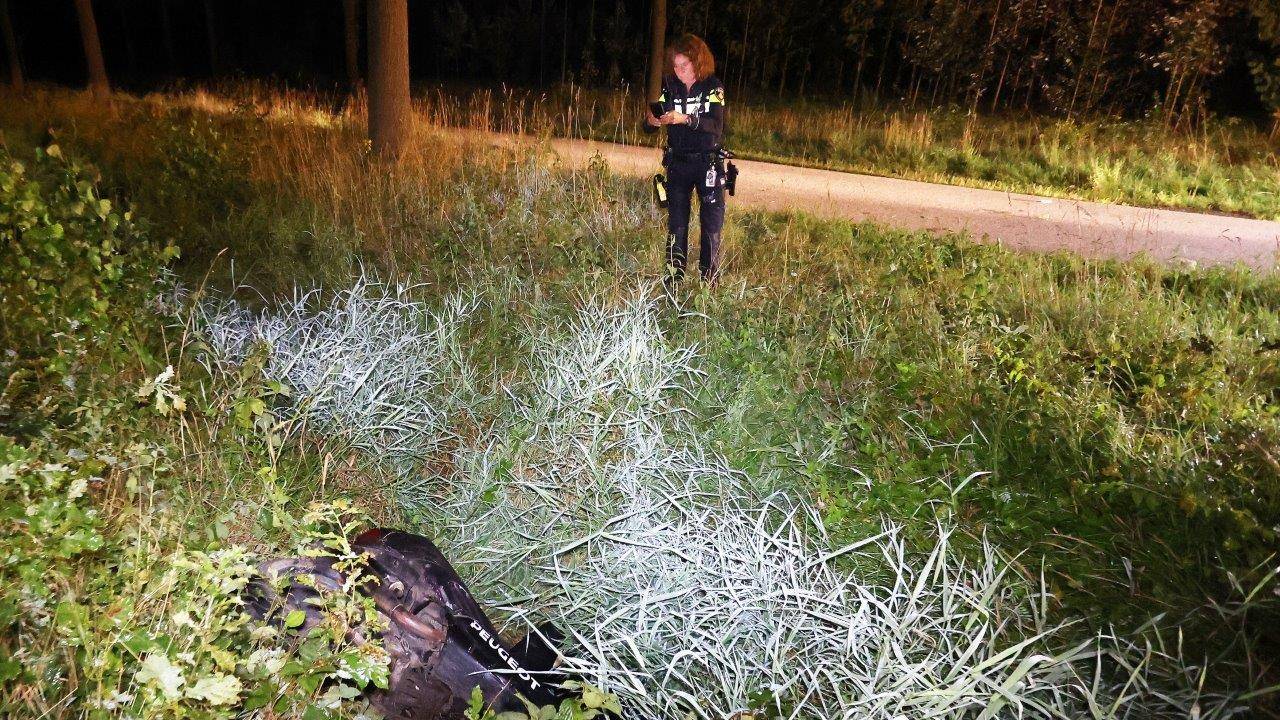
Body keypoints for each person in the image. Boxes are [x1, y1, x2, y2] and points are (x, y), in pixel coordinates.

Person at [644, 34, 727, 284]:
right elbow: (649, 123)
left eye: (685, 66)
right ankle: (673, 279)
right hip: (678, 164)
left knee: (711, 224)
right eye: (676, 65)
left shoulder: (714, 87)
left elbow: (716, 125)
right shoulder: (670, 86)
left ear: (698, 62)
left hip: (707, 163)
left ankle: (708, 282)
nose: (679, 71)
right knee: (677, 222)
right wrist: (652, 121)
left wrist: (685, 119)